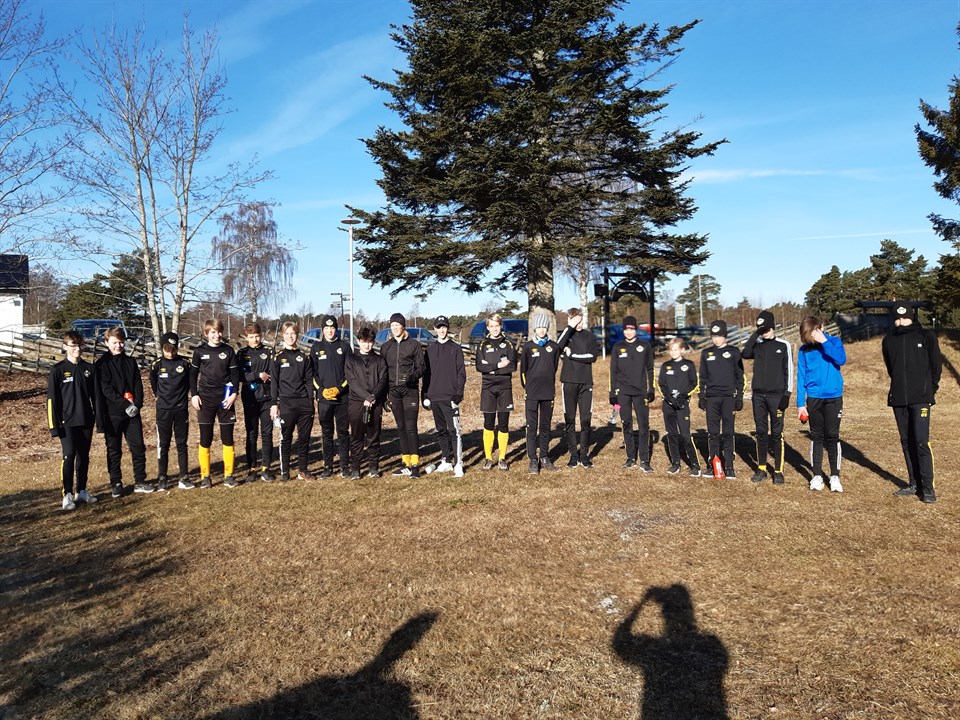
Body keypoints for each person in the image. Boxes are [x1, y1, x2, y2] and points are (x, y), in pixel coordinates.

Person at [882, 301, 942, 503]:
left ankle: (927, 487)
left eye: (905, 318)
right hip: (899, 398)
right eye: (898, 319)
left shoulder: (926, 336)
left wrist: (930, 390)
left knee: (921, 441)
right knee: (906, 441)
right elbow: (891, 368)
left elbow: (936, 366)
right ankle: (914, 483)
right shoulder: (889, 340)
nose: (901, 322)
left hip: (921, 399)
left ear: (912, 317)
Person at [95, 326, 150, 497]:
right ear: (106, 343)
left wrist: (137, 404)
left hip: (132, 413)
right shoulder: (101, 364)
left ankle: (140, 481)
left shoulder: (130, 362)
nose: (118, 346)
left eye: (121, 342)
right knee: (114, 450)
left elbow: (137, 384)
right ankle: (116, 483)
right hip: (113, 413)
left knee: (138, 447)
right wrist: (125, 404)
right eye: (114, 343)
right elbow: (106, 389)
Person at [741, 310, 794, 485]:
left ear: (772, 327)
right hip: (758, 396)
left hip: (777, 397)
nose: (764, 332)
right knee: (761, 433)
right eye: (761, 330)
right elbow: (745, 353)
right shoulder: (757, 345)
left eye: (765, 329)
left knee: (777, 434)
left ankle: (778, 471)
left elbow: (789, 370)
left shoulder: (783, 345)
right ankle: (762, 468)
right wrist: (756, 333)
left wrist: (787, 394)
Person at [47, 331, 97, 510]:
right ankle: (67, 494)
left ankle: (81, 490)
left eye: (80, 345)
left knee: (83, 456)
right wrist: (54, 426)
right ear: (65, 347)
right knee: (69, 456)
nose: (77, 349)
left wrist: (98, 419)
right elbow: (52, 400)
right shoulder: (57, 370)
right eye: (73, 345)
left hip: (86, 421)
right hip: (66, 423)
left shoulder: (89, 369)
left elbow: (96, 398)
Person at [796, 316, 846, 492]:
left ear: (821, 328)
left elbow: (841, 359)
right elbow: (801, 377)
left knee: (832, 435)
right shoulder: (804, 350)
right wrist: (800, 404)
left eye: (812, 334)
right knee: (817, 436)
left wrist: (825, 342)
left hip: (833, 397)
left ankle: (835, 476)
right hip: (814, 398)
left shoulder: (834, 342)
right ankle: (817, 475)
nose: (810, 339)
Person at [190, 318, 241, 489]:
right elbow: (192, 375)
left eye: (219, 331)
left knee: (228, 438)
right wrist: (194, 395)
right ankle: (205, 476)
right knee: (206, 439)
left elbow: (235, 375)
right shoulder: (199, 351)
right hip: (206, 400)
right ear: (206, 333)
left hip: (225, 400)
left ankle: (229, 476)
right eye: (213, 332)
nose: (216, 335)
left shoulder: (229, 351)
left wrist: (234, 394)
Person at [381, 313, 426, 477]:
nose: (395, 328)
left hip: (410, 391)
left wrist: (412, 377)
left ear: (403, 326)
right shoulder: (386, 347)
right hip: (393, 391)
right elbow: (382, 372)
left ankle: (415, 464)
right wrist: (384, 396)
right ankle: (405, 461)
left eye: (397, 325)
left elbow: (422, 367)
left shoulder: (414, 345)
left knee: (411, 426)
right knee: (401, 427)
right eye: (392, 325)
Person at [698, 320, 744, 479]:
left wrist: (739, 397)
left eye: (719, 336)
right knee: (713, 433)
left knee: (728, 432)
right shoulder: (706, 353)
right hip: (712, 398)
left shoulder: (734, 352)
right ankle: (713, 464)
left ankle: (729, 465)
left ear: (725, 336)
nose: (716, 339)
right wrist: (701, 396)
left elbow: (740, 376)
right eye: (713, 336)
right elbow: (702, 377)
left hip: (728, 398)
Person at [422, 315, 466, 477]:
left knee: (454, 430)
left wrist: (459, 392)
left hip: (450, 397)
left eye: (444, 327)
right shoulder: (430, 350)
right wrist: (424, 394)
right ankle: (446, 460)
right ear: (435, 329)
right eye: (439, 327)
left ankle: (458, 463)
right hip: (434, 396)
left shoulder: (456, 348)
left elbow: (461, 372)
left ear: (448, 328)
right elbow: (426, 375)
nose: (441, 330)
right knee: (441, 430)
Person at [610, 315, 655, 472]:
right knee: (626, 423)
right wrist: (612, 392)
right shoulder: (617, 347)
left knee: (643, 425)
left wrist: (651, 389)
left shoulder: (645, 346)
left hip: (641, 391)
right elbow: (613, 371)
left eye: (631, 329)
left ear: (636, 329)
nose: (628, 332)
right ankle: (630, 458)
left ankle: (645, 460)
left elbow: (650, 369)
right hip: (623, 392)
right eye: (626, 329)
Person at [271, 321, 315, 481]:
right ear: (283, 335)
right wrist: (274, 404)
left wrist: (310, 402)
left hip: (304, 404)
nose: (290, 336)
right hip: (286, 404)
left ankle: (303, 471)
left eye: (293, 333)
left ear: (297, 335)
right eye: (287, 333)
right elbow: (274, 382)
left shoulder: (304, 357)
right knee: (286, 438)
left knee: (304, 438)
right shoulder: (277, 357)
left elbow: (309, 381)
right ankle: (285, 472)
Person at [557, 307, 599, 468]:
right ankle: (573, 455)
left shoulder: (589, 336)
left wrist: (572, 355)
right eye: (575, 321)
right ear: (569, 320)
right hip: (568, 381)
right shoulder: (566, 334)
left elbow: (592, 357)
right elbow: (558, 348)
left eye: (580, 320)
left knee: (585, 419)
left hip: (586, 382)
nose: (579, 324)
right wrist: (569, 327)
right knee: (570, 418)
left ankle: (584, 455)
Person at [519, 313, 561, 474]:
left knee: (545, 426)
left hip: (548, 392)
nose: (542, 330)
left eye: (544, 327)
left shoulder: (554, 347)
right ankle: (533, 459)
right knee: (531, 426)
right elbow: (523, 370)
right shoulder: (528, 347)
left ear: (547, 328)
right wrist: (527, 387)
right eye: (539, 327)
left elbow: (554, 367)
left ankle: (544, 456)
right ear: (534, 328)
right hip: (532, 392)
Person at [344, 327, 389, 479]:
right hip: (357, 403)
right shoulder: (351, 359)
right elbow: (352, 381)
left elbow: (383, 380)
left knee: (373, 435)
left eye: (370, 342)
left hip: (375, 403)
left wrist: (373, 396)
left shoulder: (379, 360)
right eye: (364, 342)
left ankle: (373, 467)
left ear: (373, 342)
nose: (367, 345)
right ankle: (355, 468)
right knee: (357, 436)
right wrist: (366, 397)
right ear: (358, 341)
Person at [149, 332, 192, 491]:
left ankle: (184, 477)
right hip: (163, 410)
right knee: (163, 444)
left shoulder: (185, 363)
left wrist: (183, 398)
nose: (170, 353)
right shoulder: (156, 365)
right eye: (167, 350)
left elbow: (189, 383)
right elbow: (154, 383)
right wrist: (159, 397)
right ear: (162, 348)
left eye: (173, 350)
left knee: (181, 443)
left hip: (180, 409)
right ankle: (162, 477)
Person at [475, 313, 518, 470]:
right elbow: (480, 367)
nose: (494, 329)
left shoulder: (509, 344)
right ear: (487, 327)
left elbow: (512, 366)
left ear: (501, 326)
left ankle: (502, 458)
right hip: (488, 388)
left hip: (505, 387)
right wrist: (498, 366)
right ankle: (488, 458)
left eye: (497, 326)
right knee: (488, 422)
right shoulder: (482, 345)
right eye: (491, 326)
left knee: (504, 423)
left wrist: (491, 369)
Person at [310, 315, 351, 478]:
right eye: (326, 328)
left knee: (343, 432)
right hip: (324, 399)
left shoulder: (344, 346)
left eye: (332, 328)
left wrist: (339, 389)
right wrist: (321, 390)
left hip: (342, 398)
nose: (329, 331)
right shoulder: (316, 347)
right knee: (327, 433)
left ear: (336, 329)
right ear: (322, 330)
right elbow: (312, 374)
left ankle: (344, 466)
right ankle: (328, 466)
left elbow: (350, 372)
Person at [656, 337, 703, 477]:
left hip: (682, 405)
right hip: (668, 405)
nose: (673, 352)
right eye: (671, 350)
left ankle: (695, 464)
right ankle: (675, 463)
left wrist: (683, 396)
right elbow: (661, 384)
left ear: (682, 350)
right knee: (671, 434)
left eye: (676, 350)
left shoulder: (689, 364)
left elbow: (694, 383)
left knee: (685, 435)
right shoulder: (666, 366)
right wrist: (668, 398)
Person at [238, 323, 276, 482]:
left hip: (267, 398)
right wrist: (258, 375)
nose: (255, 339)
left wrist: (275, 400)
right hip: (250, 398)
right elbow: (240, 376)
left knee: (267, 434)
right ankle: (252, 469)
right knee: (251, 433)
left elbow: (273, 375)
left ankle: (266, 468)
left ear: (261, 335)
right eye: (251, 337)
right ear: (246, 337)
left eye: (257, 336)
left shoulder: (269, 352)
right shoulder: (242, 353)